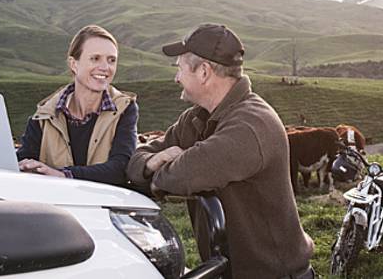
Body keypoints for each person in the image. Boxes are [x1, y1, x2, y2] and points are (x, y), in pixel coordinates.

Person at [126, 24, 315, 279]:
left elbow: (185, 175)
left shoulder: (251, 125)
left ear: (204, 71)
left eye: (179, 68)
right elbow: (136, 159)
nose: (176, 77)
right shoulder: (194, 119)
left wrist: (155, 181)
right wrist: (151, 163)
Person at [17, 25, 137, 184]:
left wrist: (63, 175)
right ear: (74, 64)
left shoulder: (124, 108)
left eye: (111, 60)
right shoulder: (44, 114)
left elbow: (121, 168)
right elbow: (23, 161)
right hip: (54, 205)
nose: (105, 67)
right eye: (95, 58)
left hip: (103, 204)